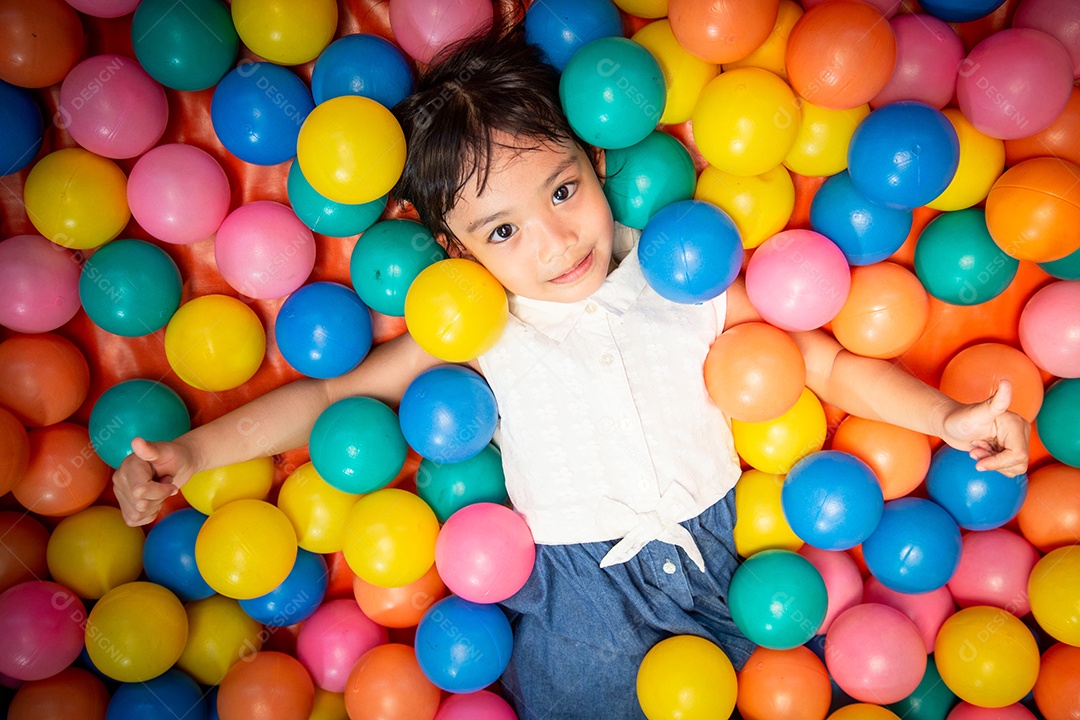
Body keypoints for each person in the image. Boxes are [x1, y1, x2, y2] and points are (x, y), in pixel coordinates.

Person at [113, 23, 1030, 720]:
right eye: (503, 231)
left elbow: (825, 365)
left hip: (730, 572)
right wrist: (191, 455)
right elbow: (326, 395)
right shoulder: (475, 326)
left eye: (561, 192)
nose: (554, 243)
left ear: (595, 160)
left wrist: (945, 418)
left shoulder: (677, 274)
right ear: (453, 249)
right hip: (577, 590)